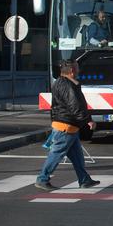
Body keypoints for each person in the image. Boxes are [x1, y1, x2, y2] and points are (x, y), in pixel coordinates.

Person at [35, 59, 99, 191]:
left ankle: (84, 180)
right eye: (77, 68)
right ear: (71, 71)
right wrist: (88, 120)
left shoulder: (62, 83)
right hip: (65, 126)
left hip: (68, 126)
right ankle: (42, 179)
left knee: (77, 157)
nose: (79, 71)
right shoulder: (67, 85)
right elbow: (75, 105)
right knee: (56, 154)